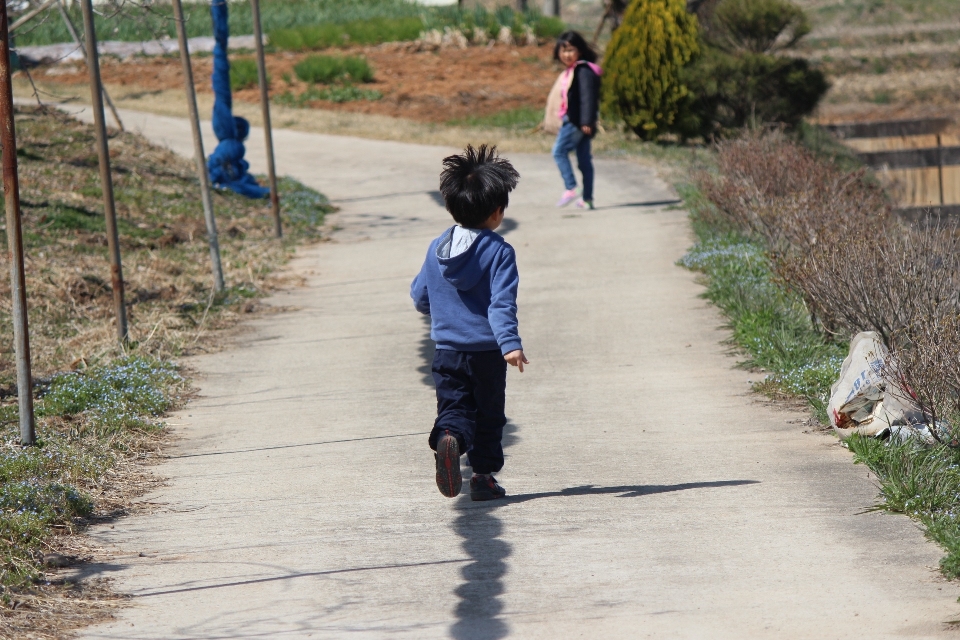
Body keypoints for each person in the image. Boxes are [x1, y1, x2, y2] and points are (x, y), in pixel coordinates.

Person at [411, 145, 529, 501]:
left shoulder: (436, 248)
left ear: (451, 205)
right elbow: (501, 304)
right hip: (486, 353)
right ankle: (482, 478)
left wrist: (442, 309)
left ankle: (450, 438)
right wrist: (510, 344)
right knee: (489, 415)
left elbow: (420, 296)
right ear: (497, 212)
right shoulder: (499, 251)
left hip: (447, 351)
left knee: (454, 407)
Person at [551, 31, 602, 210]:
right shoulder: (572, 71)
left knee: (558, 151)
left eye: (571, 50)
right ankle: (587, 199)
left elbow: (588, 97)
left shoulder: (583, 71)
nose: (566, 54)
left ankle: (571, 187)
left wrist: (587, 121)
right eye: (563, 51)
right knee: (584, 160)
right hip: (582, 122)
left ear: (579, 51)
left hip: (577, 122)